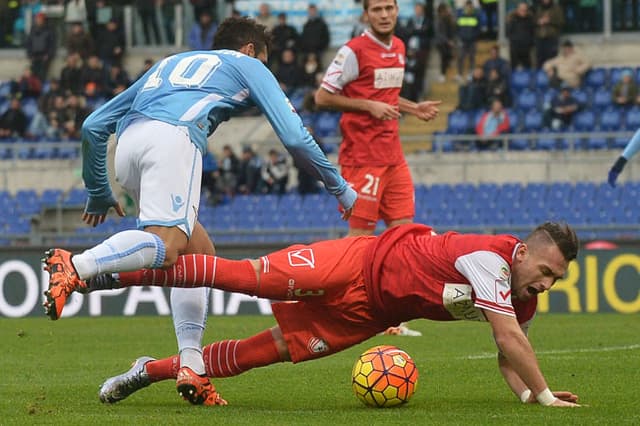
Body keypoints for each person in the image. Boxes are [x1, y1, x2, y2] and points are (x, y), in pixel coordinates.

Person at [42, 16, 357, 407]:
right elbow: (294, 136)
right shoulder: (246, 64)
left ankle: (191, 363)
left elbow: (93, 125)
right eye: (265, 60)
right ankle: (76, 266)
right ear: (250, 51)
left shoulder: (170, 63)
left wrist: (98, 191)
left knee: (200, 256)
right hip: (173, 138)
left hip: (129, 145)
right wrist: (339, 187)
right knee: (168, 245)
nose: (265, 68)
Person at [78, 222, 581, 408]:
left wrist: (527, 395)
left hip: (368, 313)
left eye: (555, 278)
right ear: (522, 254)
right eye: (544, 270)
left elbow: (507, 352)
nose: (546, 283)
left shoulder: (523, 299)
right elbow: (512, 340)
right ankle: (112, 275)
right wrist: (543, 396)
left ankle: (149, 369)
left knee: (262, 354)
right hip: (358, 262)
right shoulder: (492, 260)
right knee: (244, 277)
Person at [314, 0, 440, 237]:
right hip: (362, 158)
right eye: (377, 9)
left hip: (393, 158)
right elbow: (321, 97)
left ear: (397, 11)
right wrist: (368, 106)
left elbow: (384, 95)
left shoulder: (400, 47)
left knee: (404, 235)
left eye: (388, 8)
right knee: (361, 238)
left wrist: (414, 108)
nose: (384, 15)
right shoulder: (353, 51)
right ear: (366, 15)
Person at [25, 12, 56, 81]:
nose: (38, 21)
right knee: (33, 74)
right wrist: (29, 54)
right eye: (37, 19)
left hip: (44, 56)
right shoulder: (33, 29)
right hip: (34, 55)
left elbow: (52, 44)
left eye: (40, 19)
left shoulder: (49, 30)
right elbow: (28, 43)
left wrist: (48, 54)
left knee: (42, 75)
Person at [534, 0, 564, 68]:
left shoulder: (557, 8)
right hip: (540, 38)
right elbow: (533, 20)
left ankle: (551, 78)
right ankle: (540, 77)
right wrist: (538, 22)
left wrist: (550, 21)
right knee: (539, 60)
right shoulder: (538, 8)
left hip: (551, 38)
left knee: (552, 60)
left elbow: (561, 21)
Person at [456, 1, 480, 82]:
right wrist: (460, 37)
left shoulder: (475, 16)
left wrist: (475, 36)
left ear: (472, 7)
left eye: (470, 7)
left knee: (472, 57)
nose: (468, 8)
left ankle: (471, 74)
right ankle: (459, 74)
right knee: (460, 57)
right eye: (467, 7)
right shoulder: (460, 16)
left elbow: (478, 28)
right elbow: (457, 28)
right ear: (465, 7)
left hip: (472, 40)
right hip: (463, 40)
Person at [434, 2, 456, 83]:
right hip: (441, 43)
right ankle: (442, 74)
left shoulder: (449, 19)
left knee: (449, 57)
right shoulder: (438, 20)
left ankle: (449, 74)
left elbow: (452, 30)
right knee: (444, 57)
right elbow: (439, 34)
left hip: (448, 42)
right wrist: (448, 41)